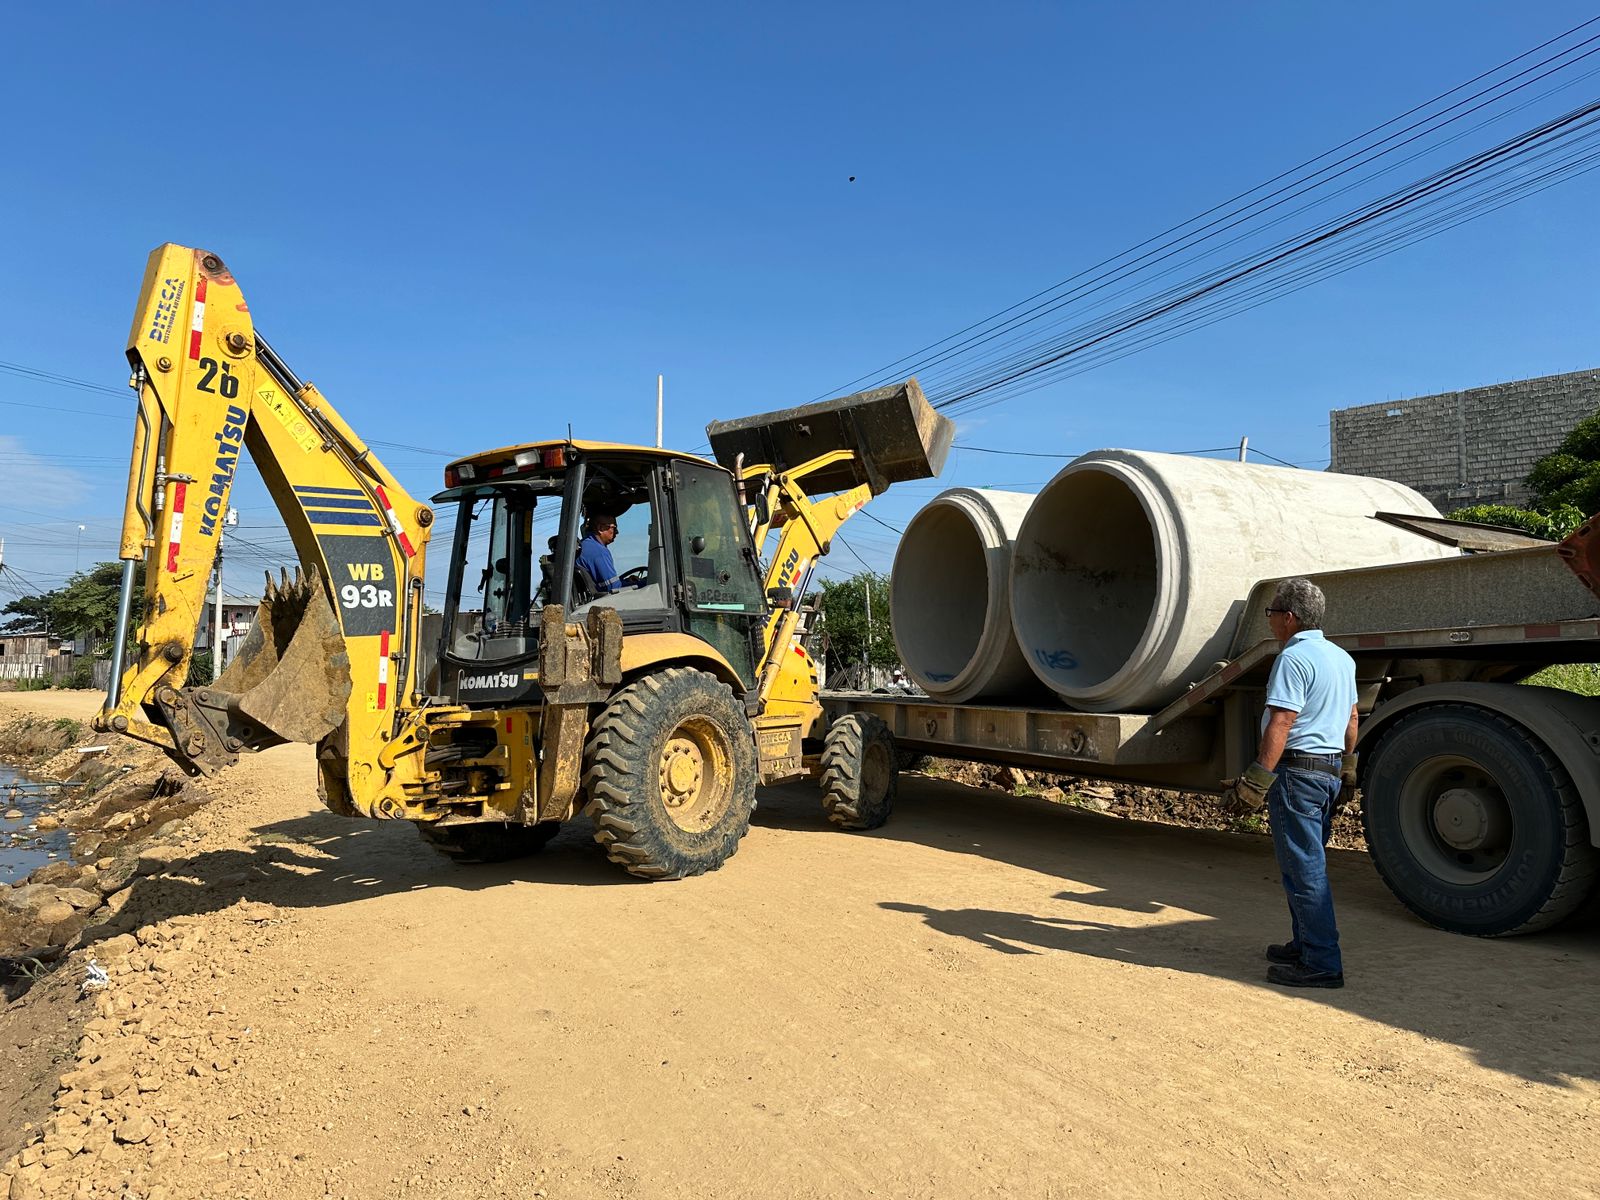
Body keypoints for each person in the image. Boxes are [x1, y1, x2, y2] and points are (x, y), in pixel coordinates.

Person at [1221, 577, 1359, 990]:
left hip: (1297, 775)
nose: (1270, 621)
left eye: (1272, 613)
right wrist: (1348, 767)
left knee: (1304, 869)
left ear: (1290, 617)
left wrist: (1256, 780)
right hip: (1327, 772)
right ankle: (1304, 945)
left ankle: (1321, 962)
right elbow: (1352, 718)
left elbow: (1282, 721)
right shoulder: (1342, 658)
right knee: (1306, 865)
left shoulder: (1293, 659)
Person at [576, 514, 622, 594]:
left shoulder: (586, 545)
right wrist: (641, 584)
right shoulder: (598, 551)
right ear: (600, 528)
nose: (617, 532)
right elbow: (613, 588)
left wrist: (626, 581)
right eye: (614, 528)